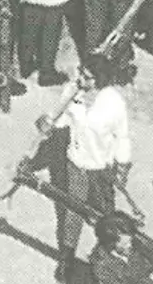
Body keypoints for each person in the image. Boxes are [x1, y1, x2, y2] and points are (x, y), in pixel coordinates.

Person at [47, 56, 132, 279]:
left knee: (105, 218)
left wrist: (122, 169)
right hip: (75, 164)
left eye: (87, 77)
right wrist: (47, 122)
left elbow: (122, 138)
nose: (80, 80)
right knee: (71, 214)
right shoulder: (72, 91)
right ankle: (66, 258)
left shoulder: (113, 103)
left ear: (100, 80)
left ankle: (106, 260)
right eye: (81, 74)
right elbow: (61, 119)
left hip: (100, 171)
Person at [88, 212, 153, 284]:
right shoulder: (101, 268)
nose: (130, 245)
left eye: (130, 240)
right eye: (125, 244)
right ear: (111, 245)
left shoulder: (132, 244)